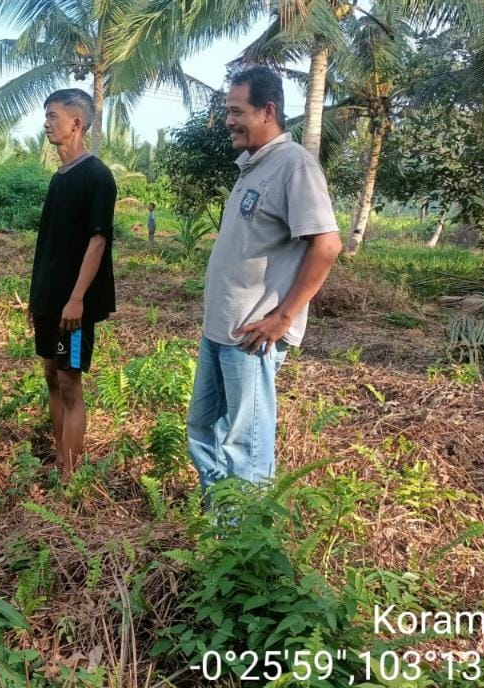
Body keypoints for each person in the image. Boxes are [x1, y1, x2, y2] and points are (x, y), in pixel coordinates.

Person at [187, 66, 342, 490]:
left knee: (246, 446)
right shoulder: (254, 167)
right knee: (203, 433)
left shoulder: (294, 166)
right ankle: (222, 527)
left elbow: (327, 246)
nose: (229, 121)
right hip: (221, 329)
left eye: (237, 111)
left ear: (268, 110)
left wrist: (282, 319)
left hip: (253, 336)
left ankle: (246, 545)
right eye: (228, 111)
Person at [29, 88, 117, 482]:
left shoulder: (97, 176)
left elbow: (98, 241)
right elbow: (48, 243)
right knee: (50, 373)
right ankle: (59, 458)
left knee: (69, 380)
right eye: (46, 116)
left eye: (52, 116)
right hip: (48, 300)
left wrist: (77, 298)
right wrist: (37, 298)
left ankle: (70, 476)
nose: (46, 123)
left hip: (73, 307)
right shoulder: (58, 178)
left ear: (76, 123)